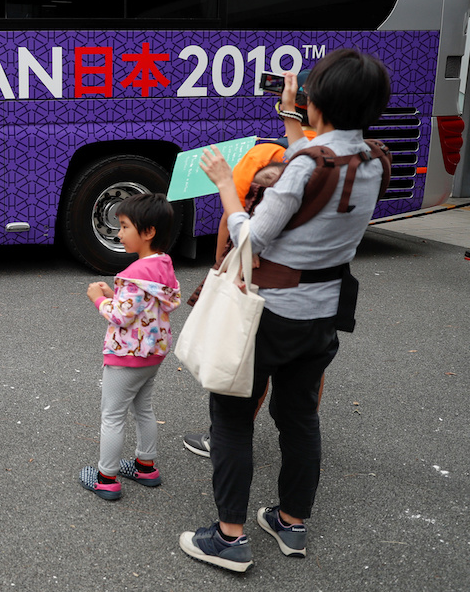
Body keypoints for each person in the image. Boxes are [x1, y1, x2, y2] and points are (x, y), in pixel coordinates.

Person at [179, 49, 391, 572]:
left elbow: (254, 237)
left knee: (230, 417)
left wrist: (228, 185)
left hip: (269, 312)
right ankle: (292, 523)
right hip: (323, 312)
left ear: (321, 100)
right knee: (298, 416)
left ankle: (228, 538)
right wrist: (294, 120)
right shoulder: (372, 161)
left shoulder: (303, 164)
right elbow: (320, 168)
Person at [78, 193, 181, 500]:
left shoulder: (134, 274)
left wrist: (98, 299)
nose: (119, 233)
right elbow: (146, 305)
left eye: (124, 227)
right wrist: (114, 292)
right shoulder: (162, 266)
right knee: (144, 409)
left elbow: (122, 316)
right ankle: (145, 466)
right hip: (153, 354)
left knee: (112, 415)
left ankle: (106, 477)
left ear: (148, 232)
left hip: (126, 357)